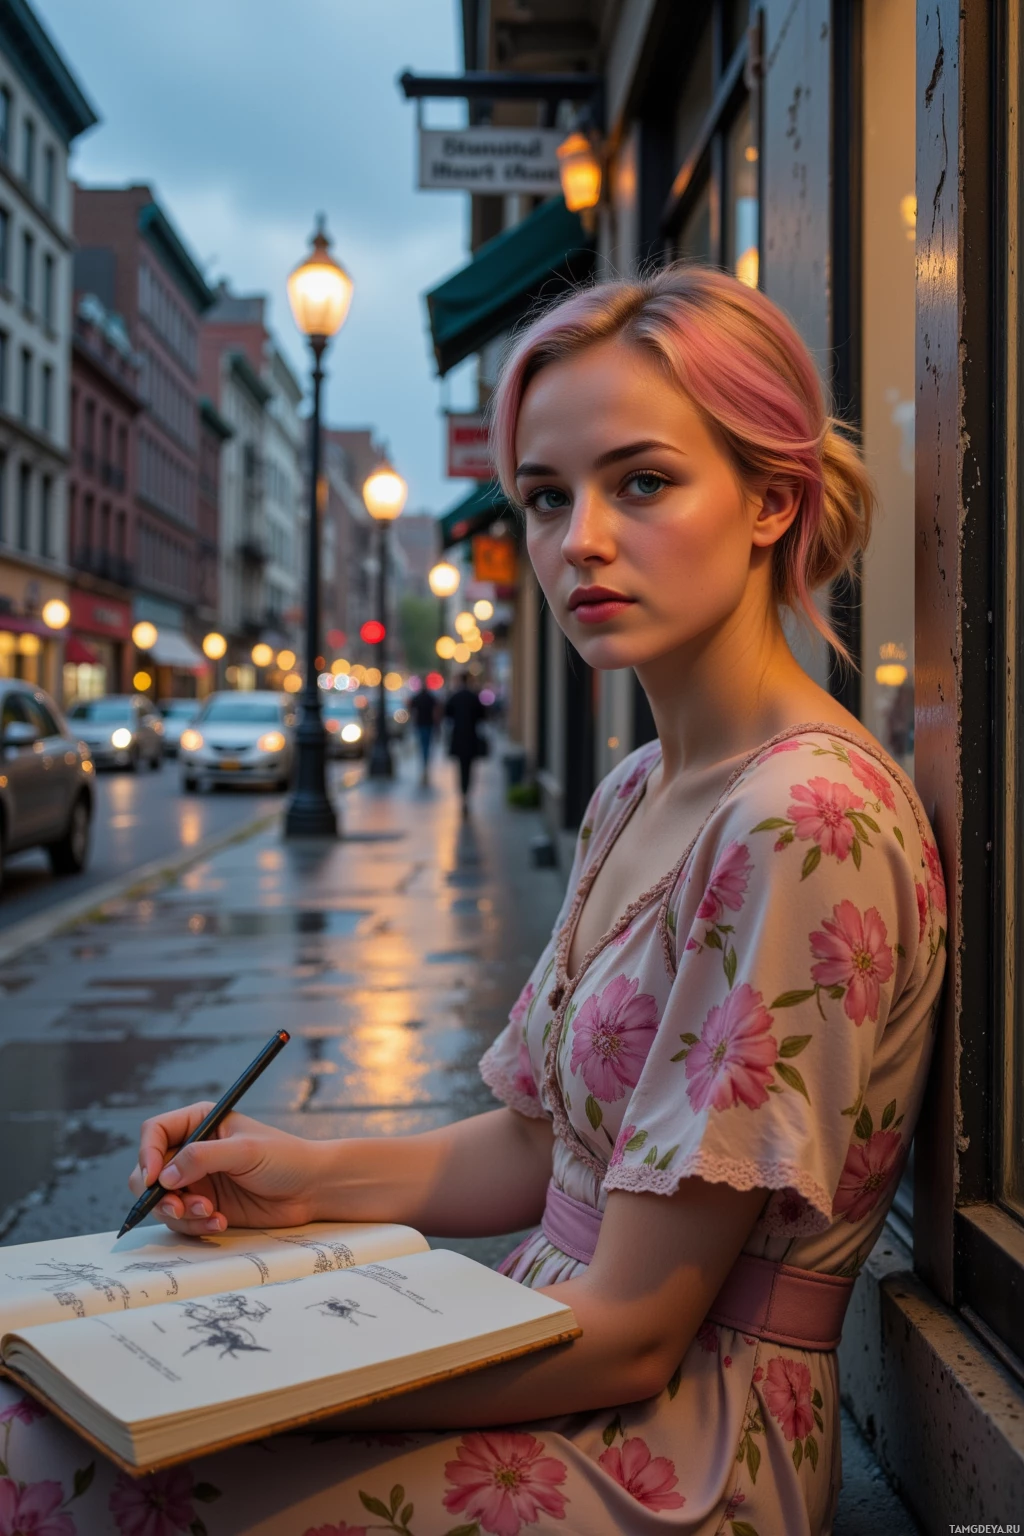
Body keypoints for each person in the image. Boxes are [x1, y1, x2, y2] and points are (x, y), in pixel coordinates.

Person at [0, 266, 946, 1535]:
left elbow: (633, 1336)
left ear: (772, 499)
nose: (580, 541)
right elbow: (540, 1145)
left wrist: (258, 1390)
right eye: (546, 499)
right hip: (542, 1353)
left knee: (67, 1474)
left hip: (680, 1447)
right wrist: (300, 1175)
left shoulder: (799, 820)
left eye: (643, 482)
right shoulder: (636, 790)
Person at [444, 671, 486, 814]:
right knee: (469, 769)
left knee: (461, 768)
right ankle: (466, 795)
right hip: (471, 738)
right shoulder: (474, 697)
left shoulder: (455, 696)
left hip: (459, 738)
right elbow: (483, 715)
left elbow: (447, 714)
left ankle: (463, 795)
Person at [408, 680, 440, 785]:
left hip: (421, 725)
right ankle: (425, 765)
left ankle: (424, 766)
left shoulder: (417, 697)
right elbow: (436, 711)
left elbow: (410, 707)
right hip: (428, 725)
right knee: (427, 746)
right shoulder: (431, 697)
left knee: (423, 746)